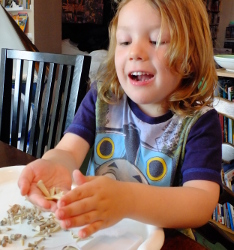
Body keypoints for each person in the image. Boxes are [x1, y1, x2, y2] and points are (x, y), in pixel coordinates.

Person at [18, 0, 222, 240]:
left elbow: (200, 202)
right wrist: (53, 164)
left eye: (156, 40)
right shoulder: (103, 98)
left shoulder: (200, 122)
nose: (135, 52)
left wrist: (127, 199)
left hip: (161, 241)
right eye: (125, 42)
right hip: (99, 234)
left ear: (192, 54)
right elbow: (69, 152)